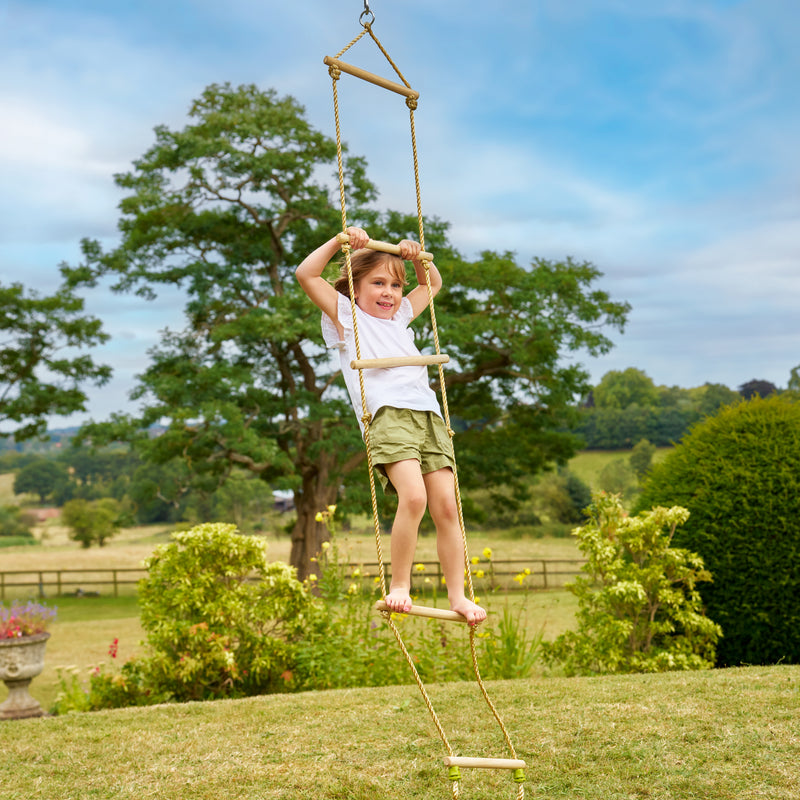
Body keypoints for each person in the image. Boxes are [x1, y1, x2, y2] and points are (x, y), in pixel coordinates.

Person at [296, 227, 487, 625]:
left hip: (427, 415)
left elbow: (432, 282)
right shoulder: (347, 316)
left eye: (395, 285)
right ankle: (400, 584)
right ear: (354, 287)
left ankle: (458, 595)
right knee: (413, 498)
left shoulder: (400, 316)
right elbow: (306, 275)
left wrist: (416, 258)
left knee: (447, 506)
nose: (388, 293)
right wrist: (339, 242)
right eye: (378, 283)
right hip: (388, 415)